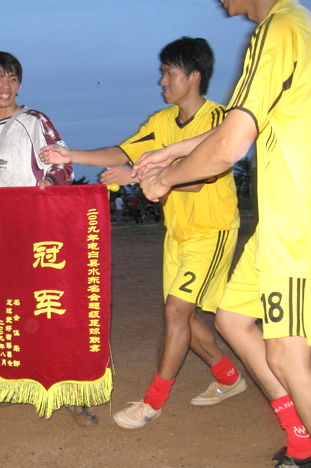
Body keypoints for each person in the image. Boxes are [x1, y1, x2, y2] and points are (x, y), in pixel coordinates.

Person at [134, 1, 311, 465]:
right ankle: (299, 436)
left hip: (296, 224)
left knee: (286, 355)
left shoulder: (279, 27)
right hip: (274, 225)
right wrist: (170, 152)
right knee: (232, 320)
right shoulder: (289, 25)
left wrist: (166, 177)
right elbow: (241, 124)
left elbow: (230, 143)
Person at [41, 37, 245, 429]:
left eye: (169, 73)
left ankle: (153, 402)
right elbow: (123, 152)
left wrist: (138, 176)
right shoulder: (160, 122)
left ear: (194, 75)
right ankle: (228, 377)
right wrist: (71, 154)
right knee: (185, 319)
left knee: (176, 313)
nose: (162, 81)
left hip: (212, 230)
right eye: (162, 73)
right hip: (177, 233)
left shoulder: (220, 121)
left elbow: (198, 179)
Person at [0, 51, 97, 426]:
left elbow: (64, 165)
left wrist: (46, 185)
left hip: (37, 237)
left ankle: (72, 394)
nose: (6, 86)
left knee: (50, 315)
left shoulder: (35, 120)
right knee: (10, 315)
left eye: (12, 78)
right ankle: (13, 385)